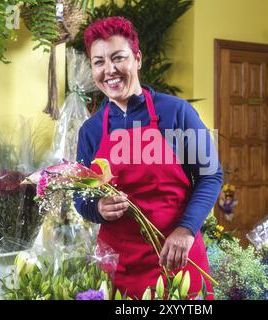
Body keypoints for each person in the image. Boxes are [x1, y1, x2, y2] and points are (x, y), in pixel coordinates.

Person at [74, 16, 223, 299]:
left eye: (118, 57)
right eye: (99, 62)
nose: (109, 70)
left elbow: (210, 175)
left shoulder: (177, 113)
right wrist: (98, 208)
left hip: (178, 259)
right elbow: (81, 198)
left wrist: (187, 229)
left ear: (137, 59)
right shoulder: (91, 131)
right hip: (118, 267)